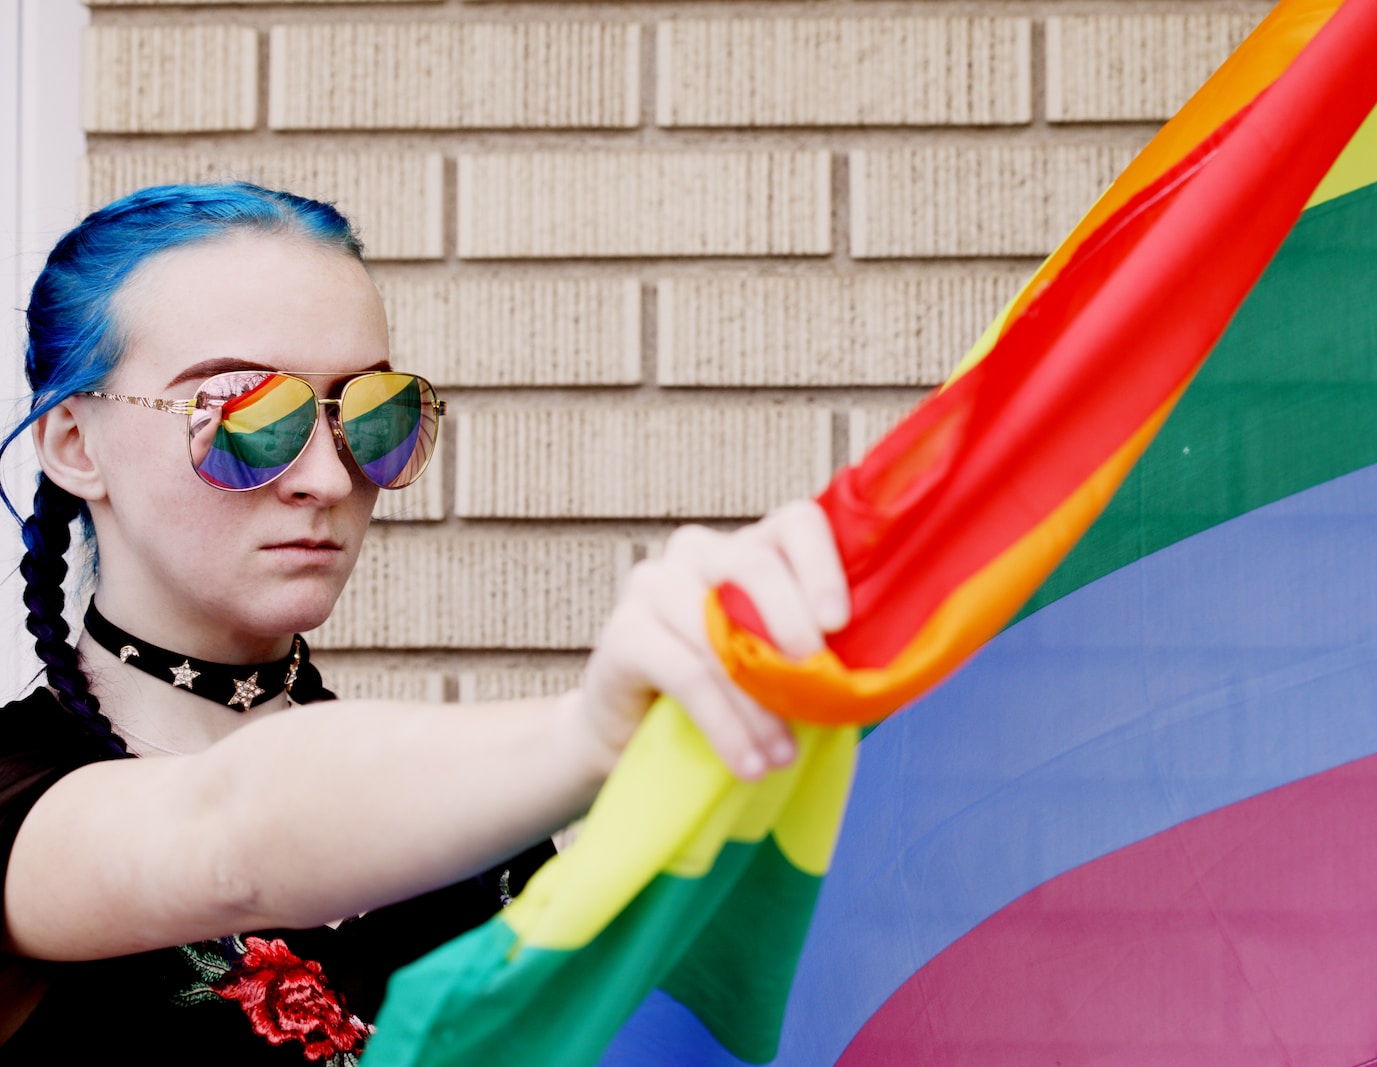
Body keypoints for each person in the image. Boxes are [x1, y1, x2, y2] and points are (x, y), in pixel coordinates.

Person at [0, 183, 848, 1062]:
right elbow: (229, 835)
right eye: (247, 415)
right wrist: (591, 732)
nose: (328, 480)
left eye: (373, 415)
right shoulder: (14, 801)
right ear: (74, 443)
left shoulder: (480, 823)